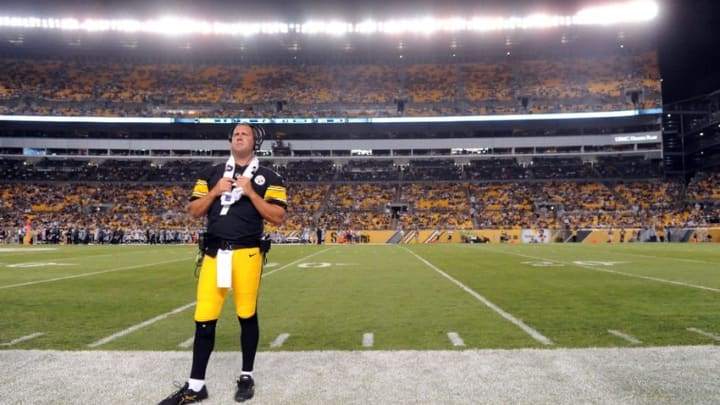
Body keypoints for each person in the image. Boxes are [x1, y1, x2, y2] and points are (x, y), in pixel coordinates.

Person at [159, 124, 287, 404]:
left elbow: (277, 216)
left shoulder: (269, 176)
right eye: (236, 133)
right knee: (204, 319)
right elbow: (193, 210)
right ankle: (195, 386)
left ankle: (246, 375)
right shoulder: (211, 173)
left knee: (246, 315)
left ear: (255, 142)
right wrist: (215, 192)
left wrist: (252, 193)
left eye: (245, 134)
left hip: (247, 253)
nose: (239, 136)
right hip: (215, 254)